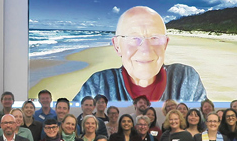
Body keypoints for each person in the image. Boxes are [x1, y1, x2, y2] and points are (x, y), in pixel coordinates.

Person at [73, 6, 206, 102]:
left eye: (155, 38)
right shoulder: (98, 85)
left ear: (165, 44)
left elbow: (206, 129)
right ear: (117, 46)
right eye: (133, 38)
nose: (146, 50)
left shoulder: (187, 80)